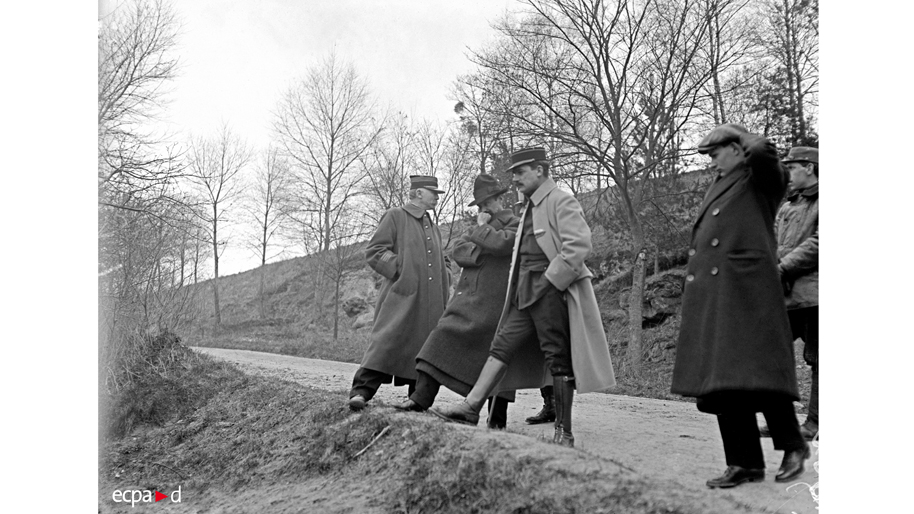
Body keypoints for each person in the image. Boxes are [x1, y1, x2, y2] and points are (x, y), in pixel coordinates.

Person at [431, 147, 616, 448]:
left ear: (540, 170)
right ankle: (470, 408)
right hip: (524, 293)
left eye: (520, 172)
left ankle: (564, 432)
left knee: (558, 358)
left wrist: (550, 283)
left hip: (550, 291)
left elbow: (578, 247)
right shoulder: (528, 206)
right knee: (500, 346)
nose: (515, 179)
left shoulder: (561, 200)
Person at [671, 124, 810, 489]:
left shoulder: (763, 178)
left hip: (748, 292)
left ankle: (794, 446)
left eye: (716, 153)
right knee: (723, 382)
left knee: (760, 374)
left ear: (737, 148)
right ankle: (743, 462)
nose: (712, 161)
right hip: (718, 294)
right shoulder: (722, 182)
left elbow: (763, 151)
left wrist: (736, 132)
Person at [395, 174, 520, 429]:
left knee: (497, 355)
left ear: (500, 199)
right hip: (469, 301)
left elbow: (503, 244)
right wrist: (483, 244)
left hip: (497, 304)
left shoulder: (515, 223)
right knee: (441, 337)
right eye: (480, 204)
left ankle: (497, 420)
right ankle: (420, 399)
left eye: (488, 202)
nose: (484, 208)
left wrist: (482, 234)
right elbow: (459, 251)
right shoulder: (476, 228)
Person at [348, 175, 450, 411]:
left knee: (426, 349)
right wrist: (401, 268)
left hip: (431, 303)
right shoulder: (395, 215)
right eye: (433, 192)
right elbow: (375, 251)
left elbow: (441, 260)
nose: (436, 197)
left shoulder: (433, 227)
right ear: (418, 193)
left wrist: (446, 273)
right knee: (386, 342)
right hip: (401, 296)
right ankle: (361, 392)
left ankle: (417, 400)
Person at [769, 146, 819, 440]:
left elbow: (819, 244)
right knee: (769, 351)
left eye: (792, 167)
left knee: (819, 360)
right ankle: (783, 422)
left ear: (809, 167)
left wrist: (784, 268)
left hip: (816, 296)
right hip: (785, 293)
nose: (788, 173)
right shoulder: (789, 204)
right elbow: (773, 242)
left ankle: (814, 425)